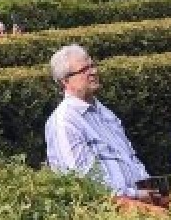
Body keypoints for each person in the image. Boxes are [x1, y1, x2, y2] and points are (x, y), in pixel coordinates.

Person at [44, 45, 164, 208]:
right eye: (84, 69)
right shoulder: (64, 122)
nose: (93, 72)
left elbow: (130, 157)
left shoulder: (104, 112)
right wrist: (138, 196)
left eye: (92, 65)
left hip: (141, 198)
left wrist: (151, 191)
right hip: (111, 208)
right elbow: (84, 184)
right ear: (65, 81)